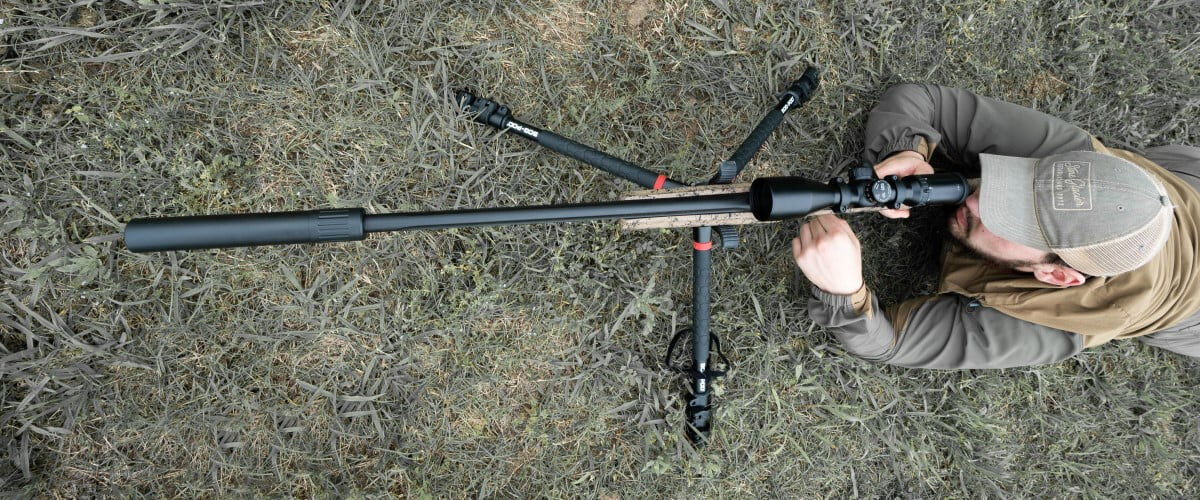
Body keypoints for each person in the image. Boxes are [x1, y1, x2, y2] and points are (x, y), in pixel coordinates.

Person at [794, 84, 1200, 369]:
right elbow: (924, 100)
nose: (974, 199)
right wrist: (908, 147)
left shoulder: (1056, 325)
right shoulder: (1069, 154)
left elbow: (889, 343)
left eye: (1011, 221)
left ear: (1055, 274)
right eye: (1015, 187)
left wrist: (845, 293)